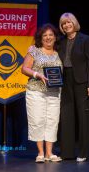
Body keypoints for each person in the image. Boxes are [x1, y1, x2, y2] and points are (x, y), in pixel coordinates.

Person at [21, 23, 63, 163]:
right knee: (38, 120)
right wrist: (37, 75)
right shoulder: (34, 50)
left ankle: (49, 153)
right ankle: (40, 153)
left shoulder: (58, 53)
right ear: (40, 38)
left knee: (52, 121)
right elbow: (24, 68)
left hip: (54, 92)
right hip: (35, 91)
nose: (48, 38)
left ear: (55, 37)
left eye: (51, 35)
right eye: (45, 35)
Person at [58, 12, 89, 162]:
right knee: (66, 116)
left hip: (81, 81)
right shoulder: (60, 41)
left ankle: (83, 153)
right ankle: (66, 152)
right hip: (65, 79)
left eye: (69, 22)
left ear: (74, 23)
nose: (66, 25)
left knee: (83, 116)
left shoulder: (86, 39)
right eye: (63, 24)